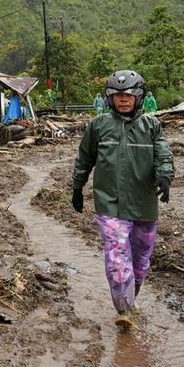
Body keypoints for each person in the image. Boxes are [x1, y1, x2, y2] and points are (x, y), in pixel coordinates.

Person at [71, 70, 174, 331]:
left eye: (128, 95)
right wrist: (77, 186)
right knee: (117, 257)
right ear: (110, 98)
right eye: (118, 96)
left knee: (140, 261)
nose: (123, 100)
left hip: (144, 202)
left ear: (139, 96)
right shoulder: (97, 126)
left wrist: (165, 177)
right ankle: (124, 309)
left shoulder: (152, 126)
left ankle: (131, 298)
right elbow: (85, 158)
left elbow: (163, 154)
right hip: (110, 202)